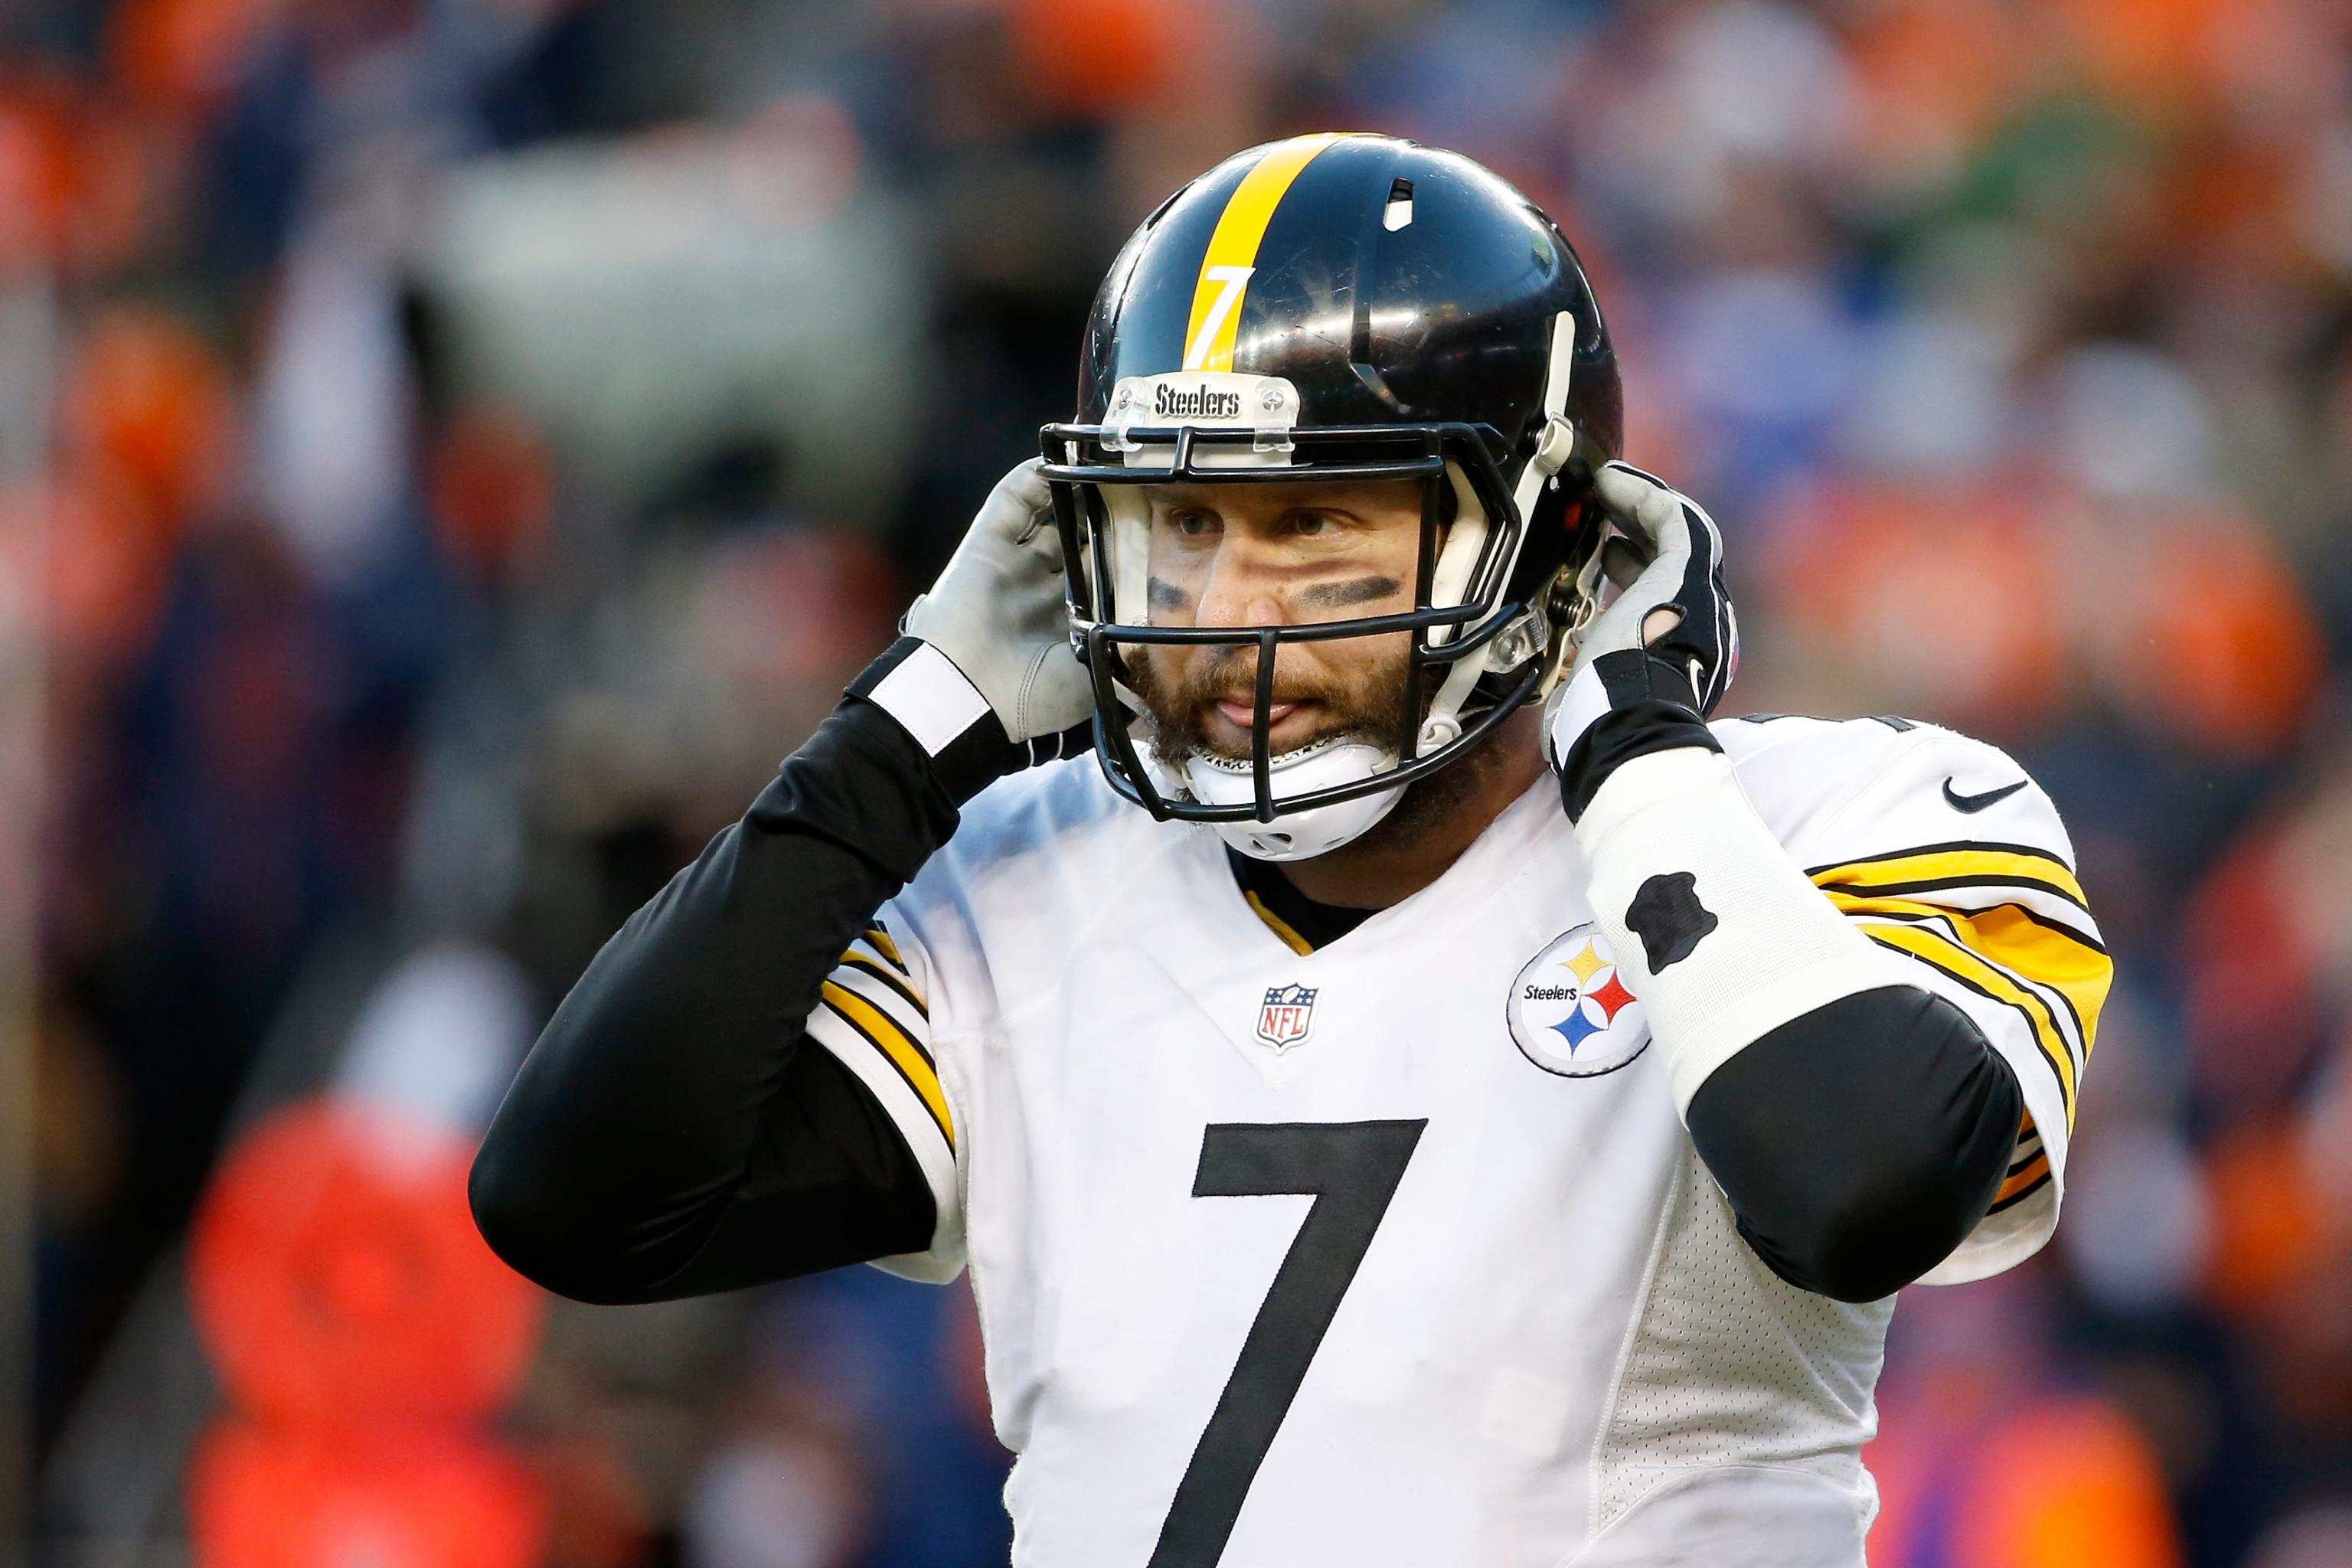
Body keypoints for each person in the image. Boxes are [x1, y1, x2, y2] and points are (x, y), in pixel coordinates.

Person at [469, 135, 2106, 1566]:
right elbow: (584, 1203)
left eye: (1316, 523)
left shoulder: (1839, 826)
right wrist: (899, 732)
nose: (1232, 607)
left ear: (1549, 542)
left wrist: (1640, 757)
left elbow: (1868, 1189)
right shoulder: (1037, 867)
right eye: (1186, 525)